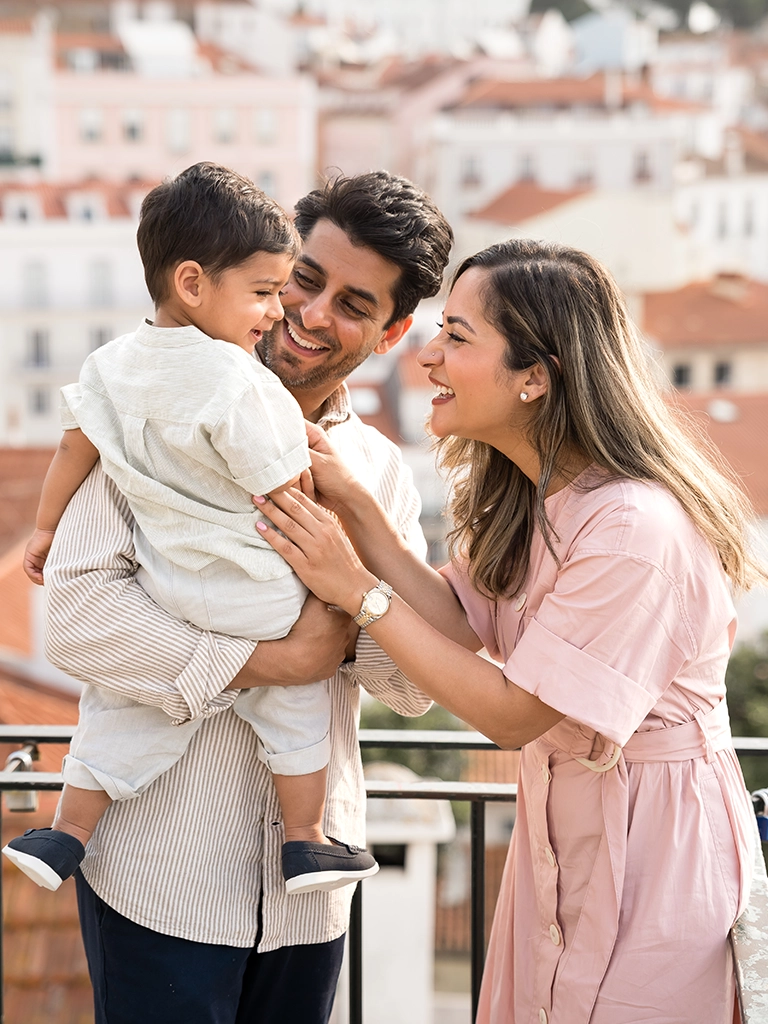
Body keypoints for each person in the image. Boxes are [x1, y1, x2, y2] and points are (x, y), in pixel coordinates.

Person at [256, 238, 762, 1024]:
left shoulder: (632, 528)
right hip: (566, 841)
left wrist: (354, 590)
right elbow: (459, 626)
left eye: (457, 337)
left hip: (656, 855)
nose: (428, 358)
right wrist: (356, 507)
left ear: (535, 376)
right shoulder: (534, 500)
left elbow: (515, 713)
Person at [40, 170, 453, 1024]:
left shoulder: (377, 473)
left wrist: (350, 570)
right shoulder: (147, 414)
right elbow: (79, 622)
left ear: (392, 332)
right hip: (159, 875)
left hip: (309, 898)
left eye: (353, 302)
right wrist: (283, 658)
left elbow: (413, 685)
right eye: (304, 278)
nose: (308, 312)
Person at [3, 161, 377, 897]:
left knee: (120, 707)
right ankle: (304, 841)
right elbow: (280, 481)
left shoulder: (108, 365)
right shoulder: (241, 379)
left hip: (168, 587)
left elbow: (74, 448)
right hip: (258, 589)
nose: (276, 313)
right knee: (296, 708)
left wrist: (46, 530)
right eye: (265, 293)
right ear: (194, 283)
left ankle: (65, 833)